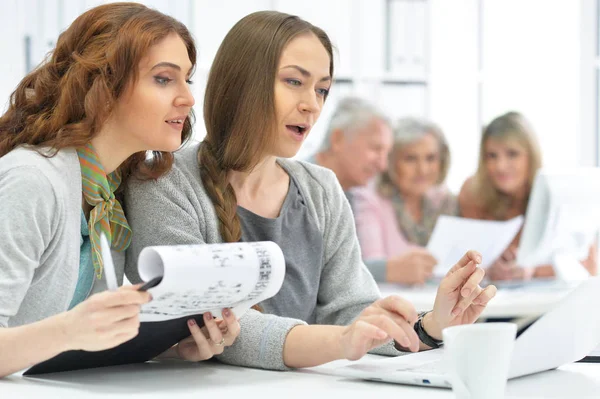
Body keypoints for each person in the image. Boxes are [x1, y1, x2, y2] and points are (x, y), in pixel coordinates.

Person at [125, 10, 496, 371]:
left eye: (321, 89)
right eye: (293, 82)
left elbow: (354, 312)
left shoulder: (321, 189)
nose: (311, 104)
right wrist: (339, 342)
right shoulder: (163, 183)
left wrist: (429, 326)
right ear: (242, 83)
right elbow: (220, 324)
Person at [0, 3, 239, 378]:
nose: (189, 99)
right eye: (164, 79)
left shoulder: (107, 192)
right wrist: (68, 331)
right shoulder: (32, 181)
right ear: (103, 87)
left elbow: (76, 347)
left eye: (187, 80)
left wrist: (174, 350)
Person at [459, 111, 597, 280]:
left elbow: (588, 264)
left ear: (531, 156)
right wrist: (487, 269)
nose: (500, 166)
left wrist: (532, 271)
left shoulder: (556, 193)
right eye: (492, 156)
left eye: (512, 154)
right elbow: (466, 256)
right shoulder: (474, 192)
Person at [353, 118, 458, 284]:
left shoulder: (444, 200)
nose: (422, 169)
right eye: (410, 159)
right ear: (391, 161)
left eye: (430, 158)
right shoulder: (369, 199)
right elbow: (367, 269)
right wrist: (394, 270)